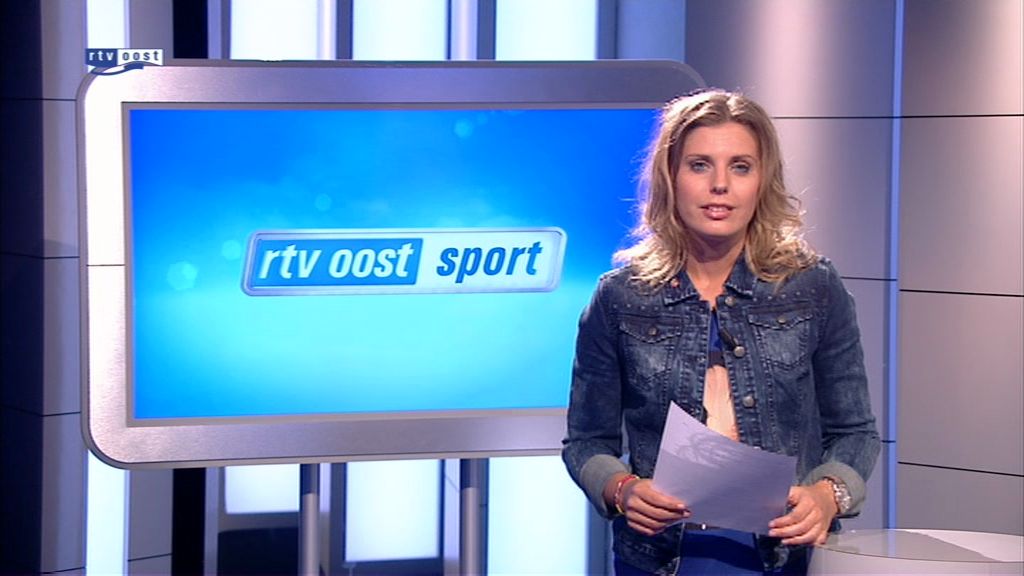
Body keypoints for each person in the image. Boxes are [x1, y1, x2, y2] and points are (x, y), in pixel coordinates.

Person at [561, 89, 880, 575]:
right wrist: (622, 490)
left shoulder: (813, 287)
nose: (720, 186)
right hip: (661, 557)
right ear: (670, 176)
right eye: (700, 165)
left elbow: (855, 433)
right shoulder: (621, 297)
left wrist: (828, 494)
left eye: (740, 167)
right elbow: (586, 441)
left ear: (762, 181)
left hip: (782, 556)